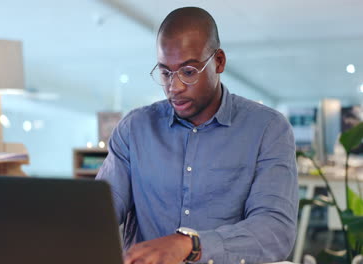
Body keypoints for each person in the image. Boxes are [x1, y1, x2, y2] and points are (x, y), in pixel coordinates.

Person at [96, 6, 298, 264]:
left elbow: (275, 230)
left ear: (219, 61)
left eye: (189, 72)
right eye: (165, 72)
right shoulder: (134, 129)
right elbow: (100, 211)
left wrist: (190, 245)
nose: (174, 87)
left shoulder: (267, 129)